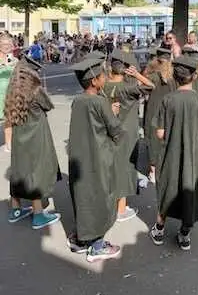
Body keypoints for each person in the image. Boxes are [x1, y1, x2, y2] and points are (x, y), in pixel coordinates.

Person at [150, 56, 198, 251]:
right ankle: (185, 233)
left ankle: (159, 228)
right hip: (197, 156)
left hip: (171, 154)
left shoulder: (167, 99)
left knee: (168, 188)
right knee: (192, 190)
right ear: (194, 76)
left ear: (175, 77)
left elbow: (160, 133)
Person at [67, 57, 126, 263]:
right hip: (98, 157)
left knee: (83, 195)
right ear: (94, 81)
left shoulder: (78, 100)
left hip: (79, 156)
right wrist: (114, 113)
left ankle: (80, 239)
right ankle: (97, 245)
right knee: (101, 197)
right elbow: (115, 130)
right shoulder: (100, 102)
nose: (105, 77)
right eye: (102, 75)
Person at [5, 59, 61, 229]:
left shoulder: (12, 90)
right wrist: (44, 89)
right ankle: (38, 214)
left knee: (18, 169)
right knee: (36, 171)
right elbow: (48, 106)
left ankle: (15, 210)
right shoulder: (35, 91)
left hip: (18, 137)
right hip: (36, 136)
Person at [102, 49, 154, 222]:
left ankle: (109, 203)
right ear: (125, 70)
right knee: (124, 168)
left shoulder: (104, 86)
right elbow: (150, 86)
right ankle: (121, 209)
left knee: (112, 166)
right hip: (127, 132)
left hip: (109, 131)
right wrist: (137, 74)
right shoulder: (128, 88)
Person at [143, 48, 176, 183]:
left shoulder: (153, 77)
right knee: (168, 138)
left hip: (153, 110)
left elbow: (142, 87)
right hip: (169, 111)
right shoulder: (174, 77)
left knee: (153, 139)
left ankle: (153, 171)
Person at [0, 33, 17, 152]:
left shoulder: (14, 59)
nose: (6, 46)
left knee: (9, 118)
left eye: (9, 44)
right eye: (4, 44)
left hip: (10, 92)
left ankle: (9, 144)